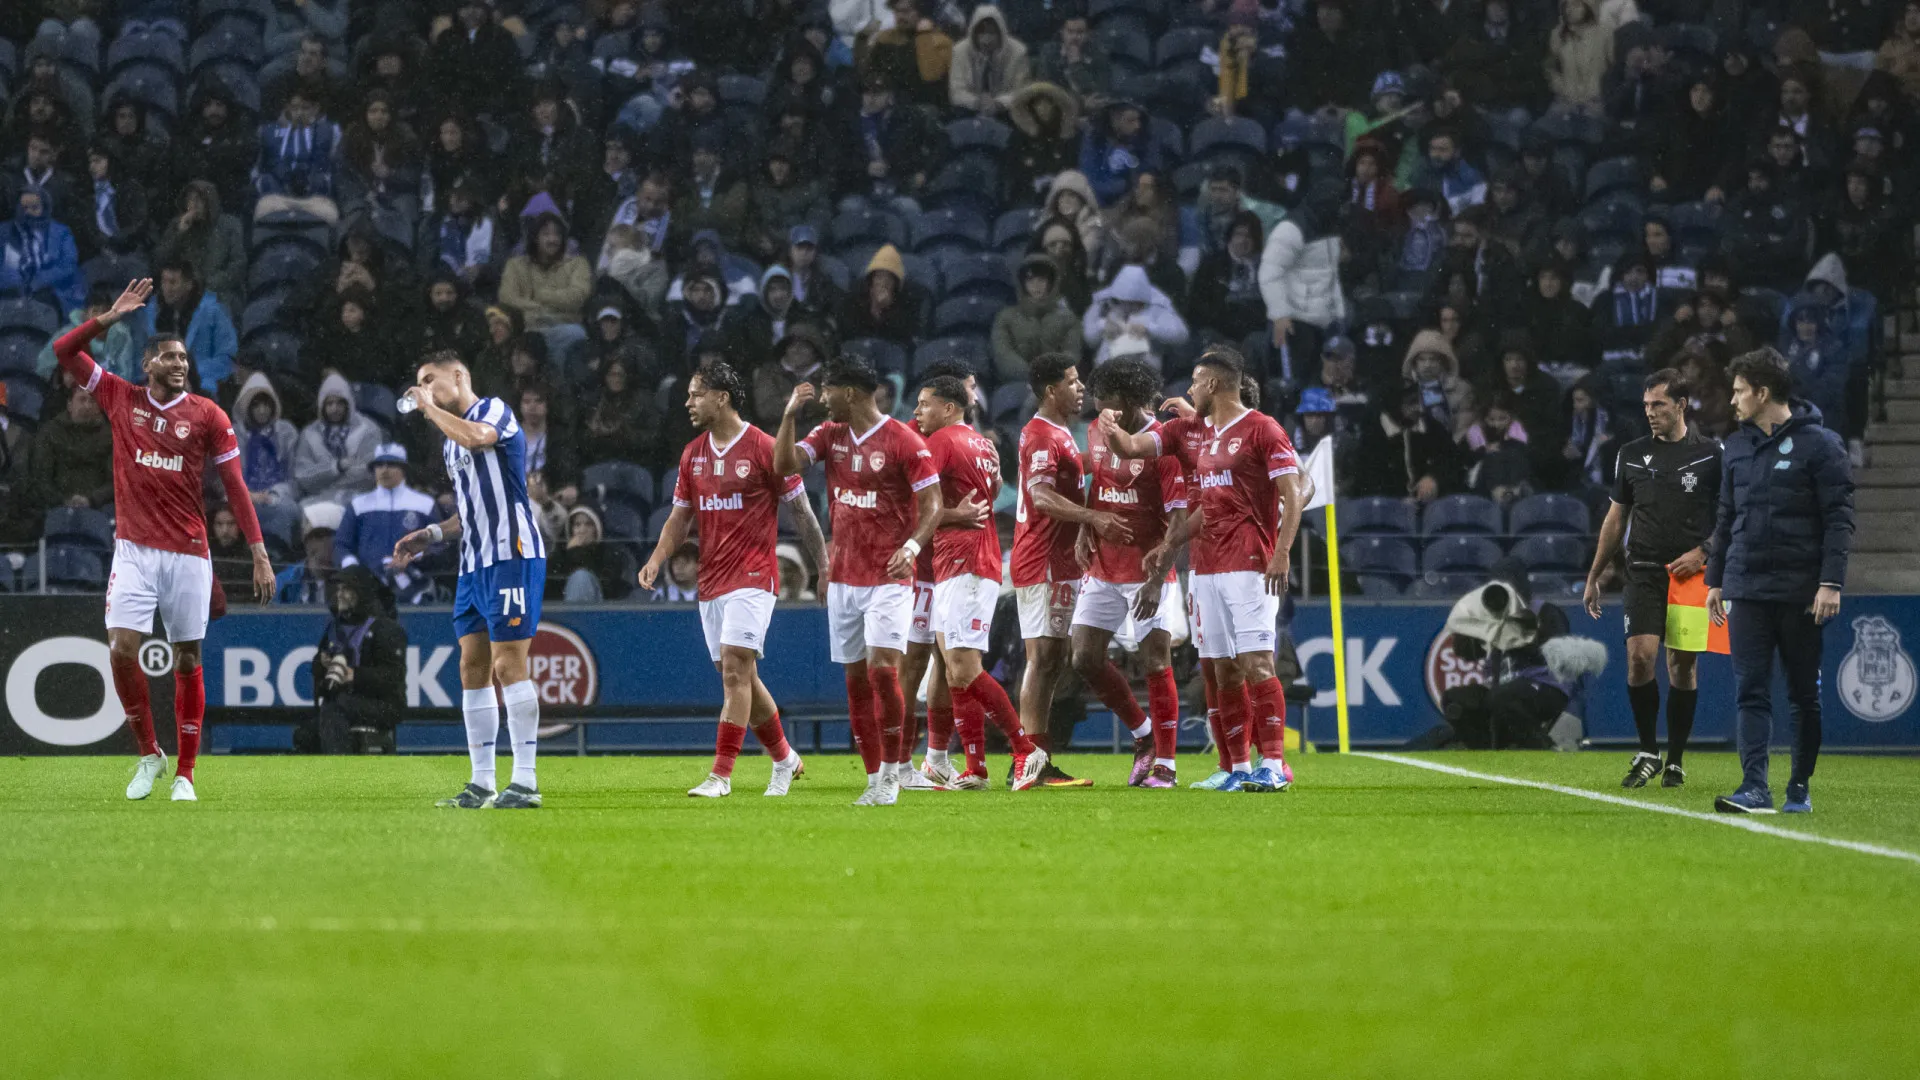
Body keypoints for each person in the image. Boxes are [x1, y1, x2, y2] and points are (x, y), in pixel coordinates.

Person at [51, 279, 274, 803]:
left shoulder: (208, 415)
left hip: (189, 552)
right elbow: (65, 351)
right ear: (148, 364)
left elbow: (237, 487)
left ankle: (186, 775)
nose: (181, 364)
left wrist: (258, 552)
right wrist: (108, 318)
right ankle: (150, 753)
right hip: (133, 550)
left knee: (188, 660)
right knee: (121, 650)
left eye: (184, 359)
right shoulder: (118, 397)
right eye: (170, 357)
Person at [1100, 346, 1303, 792]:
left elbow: (1294, 490)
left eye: (1194, 381)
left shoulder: (1262, 429)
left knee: (1256, 663)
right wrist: (1170, 542)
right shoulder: (1205, 436)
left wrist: (1281, 552)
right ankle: (1236, 769)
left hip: (1249, 563)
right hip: (1207, 567)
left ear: (1212, 383)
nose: (1188, 390)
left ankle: (1272, 763)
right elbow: (1206, 507)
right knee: (1219, 668)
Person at [639, 360, 825, 799]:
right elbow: (679, 520)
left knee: (735, 671)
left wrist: (824, 565)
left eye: (695, 394)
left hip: (755, 575)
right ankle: (784, 758)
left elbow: (802, 512)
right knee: (739, 673)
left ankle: (721, 775)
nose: (687, 402)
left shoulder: (764, 447)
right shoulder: (693, 454)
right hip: (712, 580)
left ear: (721, 397)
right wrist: (656, 556)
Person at [773, 357, 941, 803]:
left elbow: (934, 505)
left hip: (888, 576)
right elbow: (784, 464)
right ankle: (872, 780)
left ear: (849, 392)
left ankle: (892, 773)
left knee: (884, 672)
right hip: (844, 576)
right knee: (855, 683)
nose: (823, 399)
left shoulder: (903, 440)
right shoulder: (830, 435)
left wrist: (912, 548)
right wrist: (789, 415)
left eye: (828, 391)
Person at [389, 353, 551, 811]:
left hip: (512, 553)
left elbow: (481, 438)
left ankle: (525, 781)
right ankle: (482, 783)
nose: (421, 389)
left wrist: (428, 408)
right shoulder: (448, 442)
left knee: (508, 665)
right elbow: (470, 511)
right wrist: (432, 534)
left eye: (428, 380)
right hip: (474, 561)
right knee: (471, 667)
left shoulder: (493, 410)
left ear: (458, 375)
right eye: (418, 383)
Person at [1707, 350, 1855, 815]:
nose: (1732, 400)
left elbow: (1839, 519)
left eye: (1738, 390)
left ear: (1762, 392)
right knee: (1750, 688)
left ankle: (1798, 787)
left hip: (1800, 591)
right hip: (1747, 588)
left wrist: (1830, 582)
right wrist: (1715, 580)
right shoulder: (1735, 447)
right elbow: (1727, 516)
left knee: (1802, 695)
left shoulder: (1822, 445)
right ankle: (1754, 788)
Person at [1583, 370, 1722, 789]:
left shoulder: (1712, 454)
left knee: (1682, 664)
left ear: (1682, 405)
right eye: (1646, 405)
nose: (1650, 413)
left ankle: (1676, 760)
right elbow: (1615, 517)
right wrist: (1594, 574)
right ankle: (1648, 751)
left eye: (1658, 404)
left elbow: (1733, 517)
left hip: (1691, 576)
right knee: (1640, 658)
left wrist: (1704, 551)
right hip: (1642, 571)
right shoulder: (1630, 453)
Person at [913, 374, 1037, 789]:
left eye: (924, 404)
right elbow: (995, 488)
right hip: (966, 563)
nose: (917, 412)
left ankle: (1025, 751)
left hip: (965, 563)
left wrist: (951, 516)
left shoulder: (942, 442)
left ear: (949, 408)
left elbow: (914, 509)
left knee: (964, 668)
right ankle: (976, 768)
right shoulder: (984, 444)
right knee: (954, 671)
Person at [1071, 358, 1187, 788]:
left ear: (1134, 399)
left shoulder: (1163, 445)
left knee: (1155, 661)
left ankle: (1167, 766)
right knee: (1083, 657)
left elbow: (1178, 521)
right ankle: (1144, 736)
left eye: (1110, 398)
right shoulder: (1098, 431)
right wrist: (1085, 528)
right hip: (1102, 565)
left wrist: (1158, 579)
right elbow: (1097, 484)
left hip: (1146, 569)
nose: (1101, 406)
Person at [1011, 353, 1125, 788]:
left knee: (1053, 659)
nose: (1080, 388)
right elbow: (1040, 496)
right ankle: (1027, 762)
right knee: (1042, 660)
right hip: (1041, 560)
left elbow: (1074, 468)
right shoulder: (1041, 435)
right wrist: (1093, 519)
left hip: (1056, 562)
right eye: (1073, 382)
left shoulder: (1056, 435)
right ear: (1050, 391)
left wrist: (1118, 444)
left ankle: (1036, 759)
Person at [306, 563, 407, 754]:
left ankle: (342, 774)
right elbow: (316, 667)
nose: (340, 594)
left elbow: (393, 676)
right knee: (305, 733)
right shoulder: (334, 627)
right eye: (339, 589)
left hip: (382, 705)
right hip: (342, 702)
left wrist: (355, 676)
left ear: (361, 593)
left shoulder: (385, 629)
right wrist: (322, 664)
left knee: (334, 710)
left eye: (347, 589)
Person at [335, 443, 438, 598]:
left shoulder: (425, 504)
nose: (384, 470)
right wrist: (352, 568)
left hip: (414, 583)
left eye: (391, 464)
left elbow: (440, 544)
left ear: (404, 469)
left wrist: (414, 559)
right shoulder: (358, 505)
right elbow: (341, 544)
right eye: (379, 465)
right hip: (368, 585)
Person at [294, 373, 382, 504]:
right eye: (329, 404)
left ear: (349, 404)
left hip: (359, 497)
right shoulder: (309, 434)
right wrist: (336, 467)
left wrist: (326, 481)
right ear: (322, 406)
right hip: (319, 500)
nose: (334, 409)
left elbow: (370, 473)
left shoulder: (368, 429)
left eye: (340, 403)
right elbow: (303, 477)